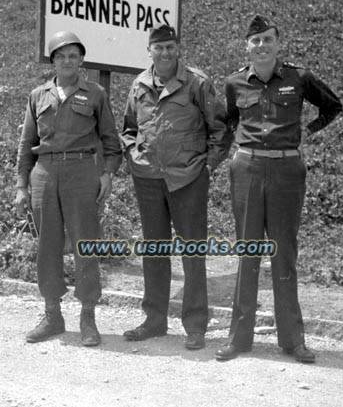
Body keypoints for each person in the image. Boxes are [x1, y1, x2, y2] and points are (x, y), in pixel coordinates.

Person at [216, 14, 343, 363]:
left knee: (283, 252)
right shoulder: (234, 83)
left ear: (277, 43)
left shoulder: (299, 78)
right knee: (247, 251)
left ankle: (292, 340)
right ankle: (239, 339)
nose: (261, 45)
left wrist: (310, 134)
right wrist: (232, 150)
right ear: (247, 46)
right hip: (247, 170)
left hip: (287, 170)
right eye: (255, 41)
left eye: (267, 39)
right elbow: (227, 120)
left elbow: (333, 106)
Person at [121, 23, 231, 350]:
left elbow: (221, 129)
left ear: (178, 49)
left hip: (188, 179)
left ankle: (195, 325)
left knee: (192, 251)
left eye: (171, 47)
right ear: (150, 50)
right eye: (159, 48)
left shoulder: (197, 83)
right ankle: (154, 319)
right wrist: (133, 158)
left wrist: (206, 167)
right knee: (154, 250)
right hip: (149, 179)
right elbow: (128, 129)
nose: (165, 53)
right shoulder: (139, 85)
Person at [15, 31, 122, 346]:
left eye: (73, 55)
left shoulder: (96, 94)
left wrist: (108, 174)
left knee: (85, 243)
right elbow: (26, 145)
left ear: (81, 60)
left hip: (81, 172)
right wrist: (21, 185)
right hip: (44, 173)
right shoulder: (38, 95)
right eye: (60, 56)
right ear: (53, 61)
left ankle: (88, 318)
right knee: (47, 246)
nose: (67, 61)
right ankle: (52, 316)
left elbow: (111, 140)